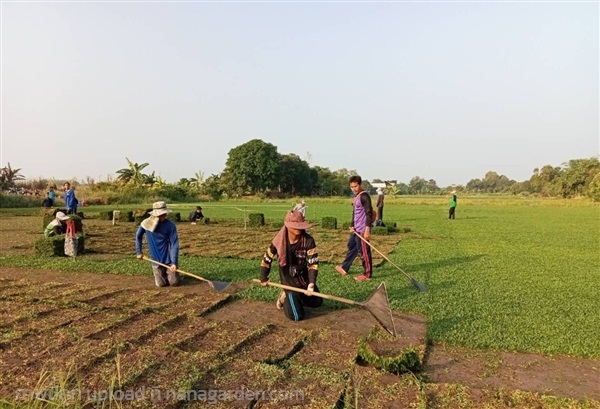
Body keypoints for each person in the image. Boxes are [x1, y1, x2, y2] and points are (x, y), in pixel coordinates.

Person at [260, 210, 322, 321]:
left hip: (303, 279)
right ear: (288, 226)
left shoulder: (308, 241)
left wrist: (311, 284)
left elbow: (313, 263)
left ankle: (297, 296)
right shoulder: (278, 241)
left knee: (317, 302)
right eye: (295, 226)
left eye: (300, 226)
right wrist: (263, 277)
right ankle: (286, 295)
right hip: (289, 281)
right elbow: (267, 258)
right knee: (297, 316)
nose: (298, 228)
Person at [336, 175, 374, 282]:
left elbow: (369, 213)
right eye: (351, 187)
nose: (353, 189)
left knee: (364, 252)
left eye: (355, 186)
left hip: (362, 229)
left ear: (360, 185)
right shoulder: (356, 196)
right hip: (356, 229)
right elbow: (355, 213)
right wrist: (352, 225)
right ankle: (344, 267)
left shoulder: (364, 196)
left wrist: (367, 229)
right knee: (351, 246)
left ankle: (367, 274)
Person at [136, 201, 181, 287]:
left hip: (169, 260)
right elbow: (138, 236)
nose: (164, 216)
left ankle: (173, 275)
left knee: (174, 283)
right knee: (161, 284)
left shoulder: (170, 225)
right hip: (155, 259)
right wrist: (139, 252)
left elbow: (174, 244)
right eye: (161, 214)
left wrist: (174, 262)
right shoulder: (146, 224)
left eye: (165, 214)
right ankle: (161, 276)